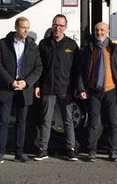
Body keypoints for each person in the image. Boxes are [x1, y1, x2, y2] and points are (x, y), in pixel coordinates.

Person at [76, 22, 117, 162]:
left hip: (111, 90)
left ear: (108, 31)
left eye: (102, 30)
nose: (99, 32)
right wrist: (81, 88)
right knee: (93, 122)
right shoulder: (89, 49)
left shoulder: (115, 49)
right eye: (96, 30)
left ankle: (112, 151)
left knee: (112, 122)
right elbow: (81, 72)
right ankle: (92, 151)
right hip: (94, 91)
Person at [0, 17, 43, 166]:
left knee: (22, 123)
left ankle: (18, 153)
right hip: (7, 88)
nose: (26, 30)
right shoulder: (4, 43)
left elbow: (38, 68)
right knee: (4, 121)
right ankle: (0, 154)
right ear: (16, 28)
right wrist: (11, 81)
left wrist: (26, 82)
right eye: (23, 27)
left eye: (28, 27)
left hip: (23, 89)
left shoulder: (33, 45)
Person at [33, 14, 81, 161]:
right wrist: (37, 85)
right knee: (46, 120)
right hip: (47, 88)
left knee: (68, 120)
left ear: (65, 27)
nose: (57, 28)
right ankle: (43, 150)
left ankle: (70, 150)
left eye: (61, 25)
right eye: (55, 25)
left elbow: (77, 69)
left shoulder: (72, 45)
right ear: (52, 26)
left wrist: (78, 88)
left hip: (66, 89)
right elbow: (38, 67)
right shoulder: (43, 44)